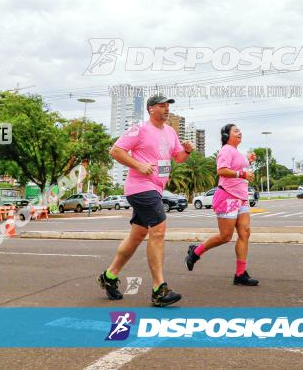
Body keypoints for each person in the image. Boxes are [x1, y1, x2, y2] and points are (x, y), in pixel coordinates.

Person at [98, 94, 195, 307]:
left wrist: (186, 151)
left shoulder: (170, 132)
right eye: (162, 106)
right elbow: (115, 151)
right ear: (151, 109)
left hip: (156, 189)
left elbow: (177, 157)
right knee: (158, 230)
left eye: (168, 106)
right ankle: (159, 289)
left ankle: (109, 276)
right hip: (140, 187)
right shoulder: (139, 129)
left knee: (138, 234)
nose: (166, 109)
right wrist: (139, 165)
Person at [185, 123, 259, 286]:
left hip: (241, 198)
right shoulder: (225, 150)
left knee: (245, 232)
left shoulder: (237, 152)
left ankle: (240, 274)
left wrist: (249, 160)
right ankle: (195, 252)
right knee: (225, 236)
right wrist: (243, 173)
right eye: (236, 131)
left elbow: (239, 167)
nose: (240, 132)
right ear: (227, 136)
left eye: (240, 130)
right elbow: (222, 170)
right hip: (227, 196)